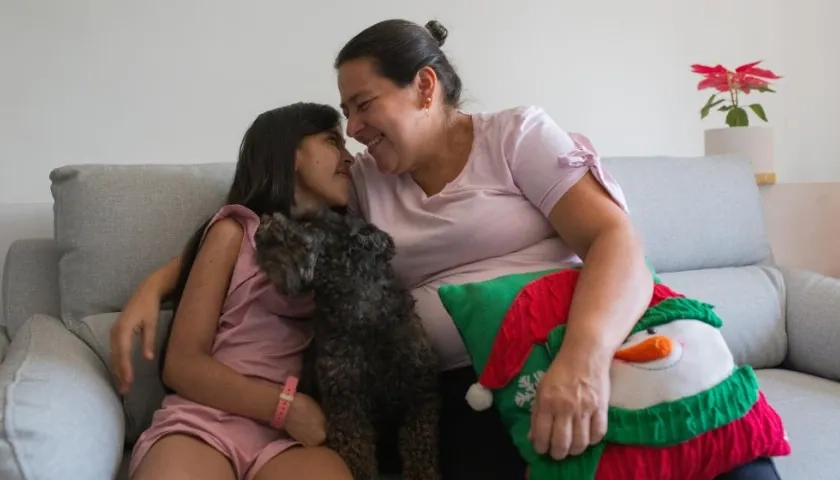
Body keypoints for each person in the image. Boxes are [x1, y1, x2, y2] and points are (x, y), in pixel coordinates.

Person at [111, 19, 782, 480]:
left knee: (701, 435)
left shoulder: (516, 137)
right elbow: (261, 223)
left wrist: (581, 360)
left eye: (364, 104)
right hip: (465, 386)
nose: (354, 130)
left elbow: (615, 240)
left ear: (425, 88)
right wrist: (158, 282)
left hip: (582, 336)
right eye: (344, 116)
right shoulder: (363, 181)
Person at [120, 102, 356, 480]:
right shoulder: (234, 232)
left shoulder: (350, 245)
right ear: (289, 154)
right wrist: (286, 408)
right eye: (332, 142)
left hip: (290, 441)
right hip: (207, 422)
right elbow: (182, 364)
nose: (350, 158)